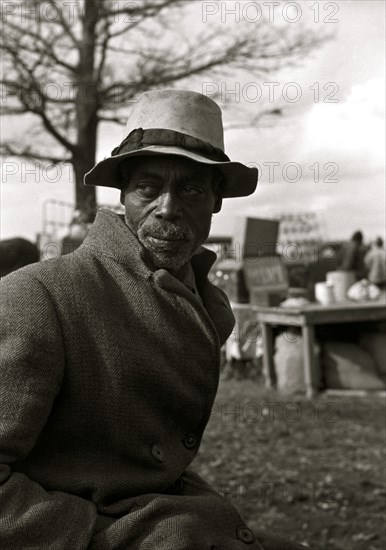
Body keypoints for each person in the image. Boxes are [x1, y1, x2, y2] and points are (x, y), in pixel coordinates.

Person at [0, 90, 309, 549]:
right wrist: (118, 539)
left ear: (216, 200)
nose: (167, 206)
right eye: (148, 187)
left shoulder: (203, 306)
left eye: (190, 188)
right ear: (123, 193)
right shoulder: (39, 297)